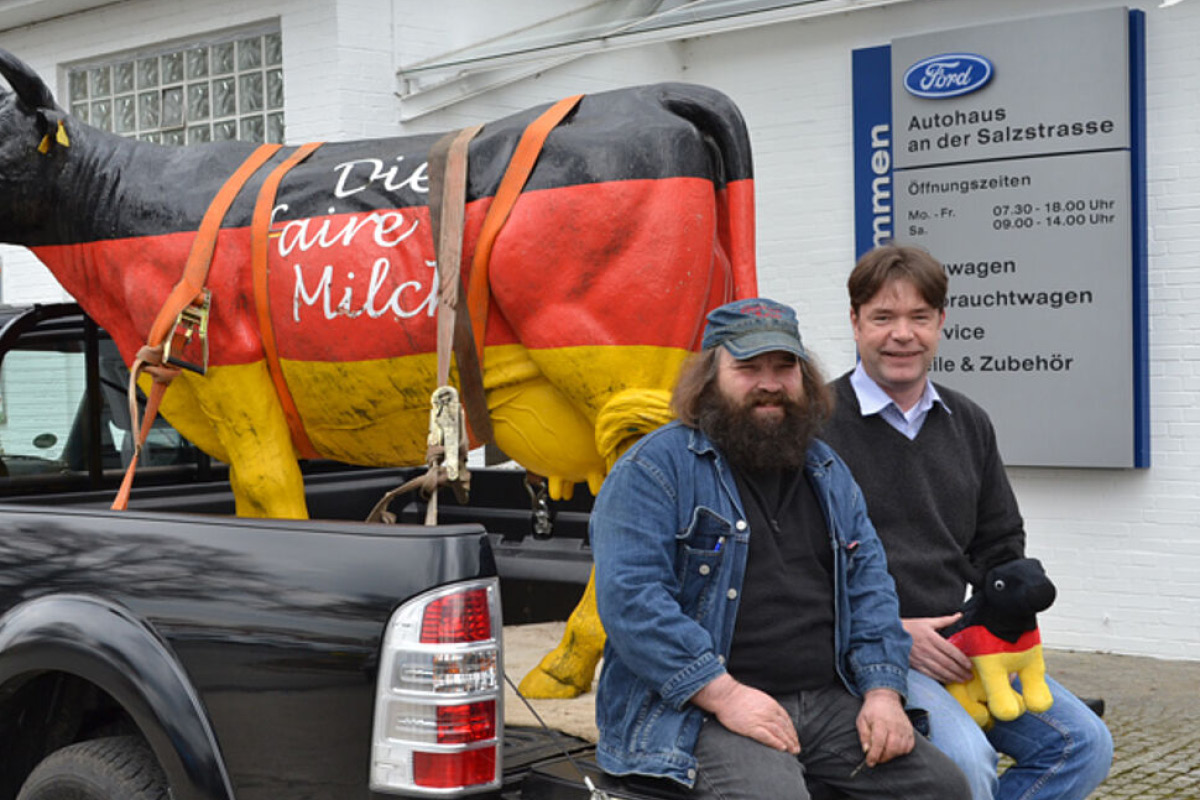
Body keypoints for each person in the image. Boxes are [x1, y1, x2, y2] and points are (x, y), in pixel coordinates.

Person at [591, 297, 969, 799]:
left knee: (942, 787)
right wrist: (724, 694)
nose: (769, 382)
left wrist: (883, 692)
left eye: (784, 366)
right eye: (748, 367)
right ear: (709, 378)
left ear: (803, 378)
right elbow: (632, 602)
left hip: (826, 700)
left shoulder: (826, 469)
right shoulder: (653, 470)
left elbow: (870, 587)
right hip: (698, 709)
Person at [820, 243, 1113, 800]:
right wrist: (895, 632)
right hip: (868, 651)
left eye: (919, 318)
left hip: (961, 646)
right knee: (967, 765)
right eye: (883, 317)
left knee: (1084, 745)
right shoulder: (816, 427)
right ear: (855, 323)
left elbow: (999, 542)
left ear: (941, 324)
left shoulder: (968, 422)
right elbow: (796, 567)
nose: (901, 334)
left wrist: (998, 619)